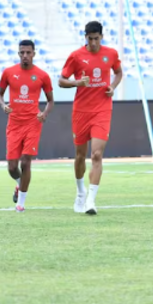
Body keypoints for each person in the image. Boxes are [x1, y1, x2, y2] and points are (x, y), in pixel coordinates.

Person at [59, 21, 123, 215]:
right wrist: (77, 82)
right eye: (90, 39)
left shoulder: (110, 54)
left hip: (102, 110)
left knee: (96, 155)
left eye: (96, 38)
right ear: (85, 37)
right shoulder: (76, 56)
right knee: (80, 155)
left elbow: (119, 72)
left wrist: (113, 86)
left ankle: (91, 201)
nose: (93, 42)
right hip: (81, 111)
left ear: (101, 37)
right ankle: (80, 192)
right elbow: (61, 81)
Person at [0, 40, 55, 212]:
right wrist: (3, 105)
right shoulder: (8, 72)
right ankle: (19, 183)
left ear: (34, 54)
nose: (25, 56)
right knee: (12, 167)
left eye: (28, 53)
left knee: (26, 162)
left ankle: (20, 203)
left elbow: (51, 100)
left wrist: (44, 114)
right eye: (22, 53)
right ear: (18, 54)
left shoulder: (42, 75)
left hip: (32, 122)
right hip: (14, 123)